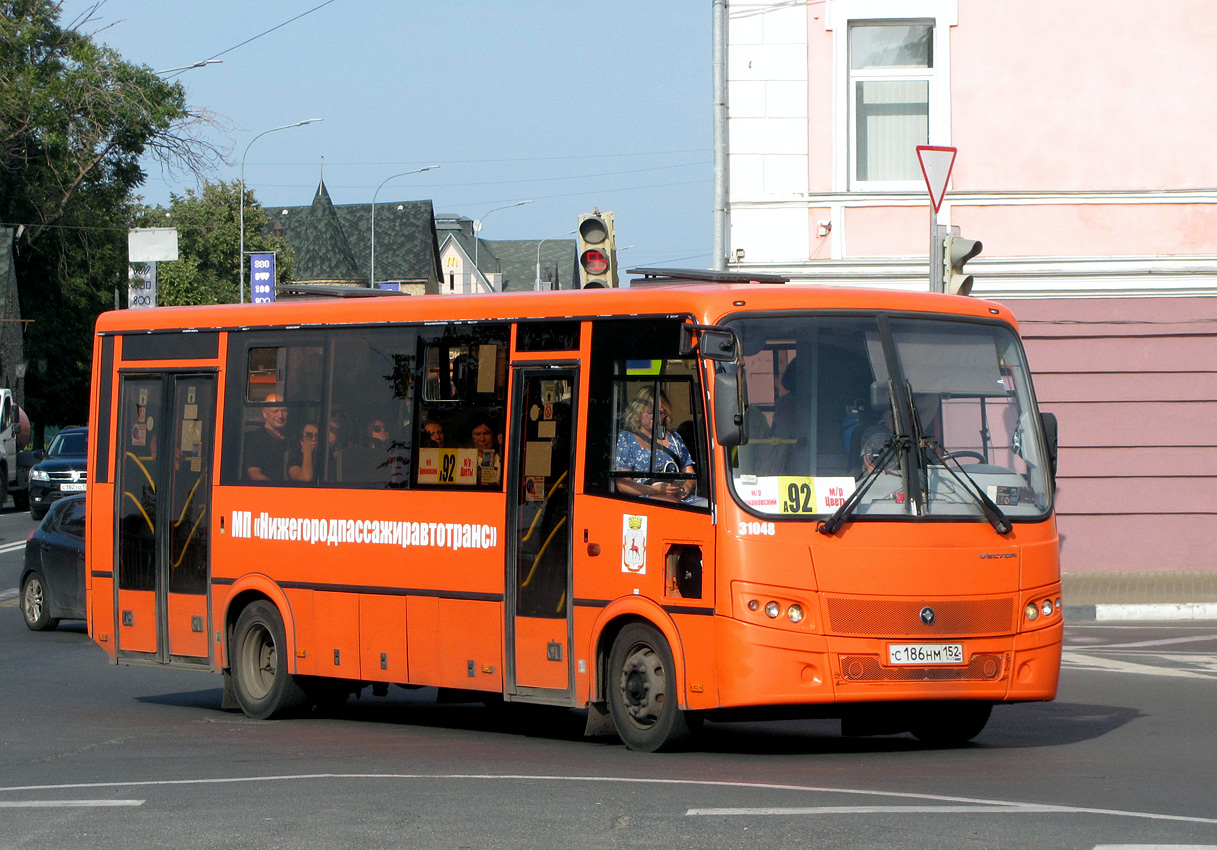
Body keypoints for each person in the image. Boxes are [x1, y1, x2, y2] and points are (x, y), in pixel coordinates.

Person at [613, 387, 703, 505]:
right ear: (638, 412)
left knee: (708, 507)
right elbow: (623, 484)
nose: (655, 417)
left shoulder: (674, 438)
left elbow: (690, 473)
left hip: (678, 498)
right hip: (643, 500)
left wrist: (686, 487)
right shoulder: (627, 439)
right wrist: (657, 490)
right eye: (650, 412)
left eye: (661, 413)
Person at [245, 393, 288, 481]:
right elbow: (254, 473)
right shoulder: (256, 438)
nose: (280, 416)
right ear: (265, 414)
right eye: (275, 411)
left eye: (284, 410)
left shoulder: (291, 437)